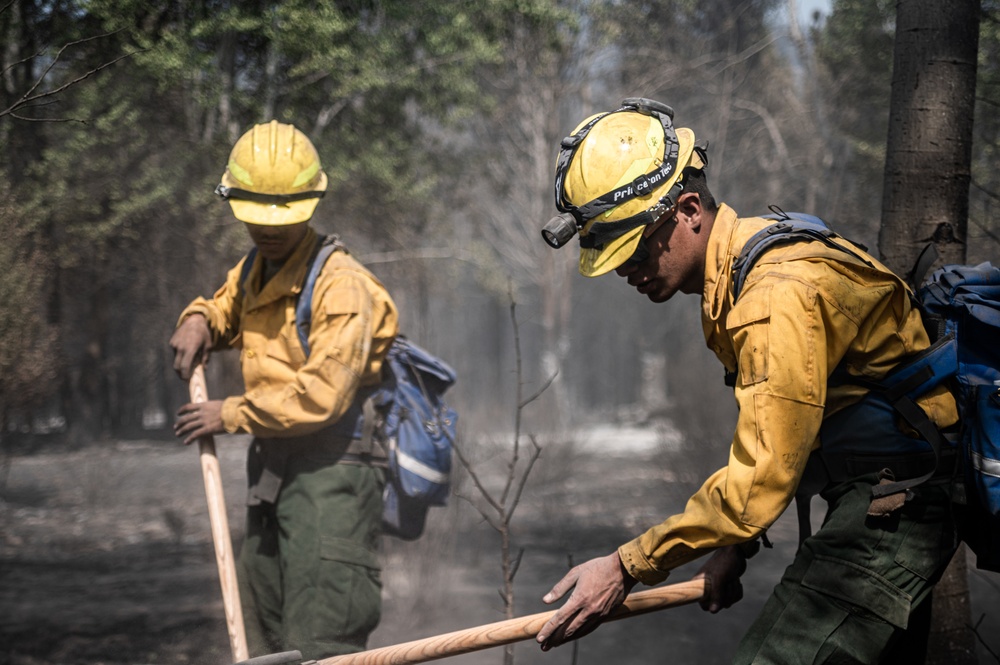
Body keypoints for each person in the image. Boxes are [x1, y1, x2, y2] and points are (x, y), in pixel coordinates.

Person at [535, 98, 961, 663]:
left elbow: (760, 478)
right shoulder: (740, 270)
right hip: (876, 492)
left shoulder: (771, 296)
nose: (626, 272)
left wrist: (625, 565)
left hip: (899, 501)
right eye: (612, 258)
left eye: (633, 248)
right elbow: (785, 430)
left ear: (688, 209)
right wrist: (735, 546)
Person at [169, 120, 398, 660]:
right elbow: (224, 306)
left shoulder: (342, 286)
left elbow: (322, 395)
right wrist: (198, 318)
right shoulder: (255, 267)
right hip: (273, 470)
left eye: (282, 220)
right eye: (256, 219)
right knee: (260, 626)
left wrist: (229, 413)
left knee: (321, 637)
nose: (268, 231)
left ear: (312, 203)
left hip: (334, 471)